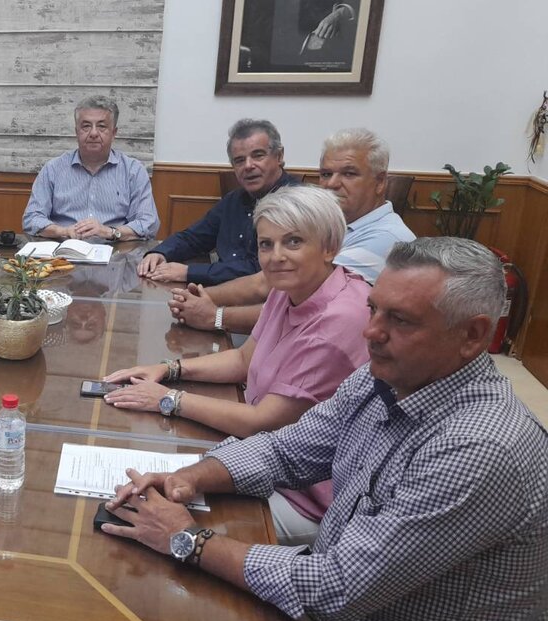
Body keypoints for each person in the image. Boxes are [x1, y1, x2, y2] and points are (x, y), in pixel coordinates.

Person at [103, 237, 548, 621]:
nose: (370, 331)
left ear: (472, 335)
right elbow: (287, 450)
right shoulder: (385, 376)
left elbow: (338, 586)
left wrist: (187, 540)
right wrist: (190, 477)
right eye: (373, 309)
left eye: (400, 320)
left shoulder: (479, 447)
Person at [106, 185, 370, 545]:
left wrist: (169, 399)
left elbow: (262, 421)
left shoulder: (339, 319)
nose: (276, 256)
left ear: (330, 247)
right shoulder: (291, 287)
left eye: (293, 242)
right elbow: (244, 359)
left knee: (151, 520)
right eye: (266, 244)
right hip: (258, 455)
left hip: (304, 496)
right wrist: (170, 370)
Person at [169, 128, 415, 334]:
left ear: (380, 182)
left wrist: (214, 315)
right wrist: (196, 298)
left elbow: (299, 307)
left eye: (349, 174)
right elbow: (266, 282)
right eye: (326, 174)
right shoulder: (330, 223)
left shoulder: (385, 238)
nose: (332, 184)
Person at [139, 119, 299, 285]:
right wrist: (160, 253)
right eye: (239, 160)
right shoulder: (233, 200)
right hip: (221, 291)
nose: (248, 166)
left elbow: (261, 270)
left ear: (279, 156)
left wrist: (189, 272)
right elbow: (194, 238)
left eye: (258, 155)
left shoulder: (296, 204)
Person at [21, 95, 159, 241]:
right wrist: (64, 231)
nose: (93, 133)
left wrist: (110, 232)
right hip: (64, 249)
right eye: (86, 126)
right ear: (76, 132)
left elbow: (149, 223)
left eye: (101, 126)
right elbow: (31, 219)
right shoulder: (53, 169)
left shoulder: (133, 171)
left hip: (115, 249)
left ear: (114, 133)